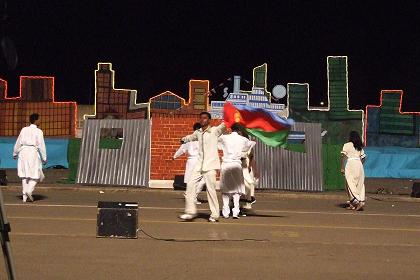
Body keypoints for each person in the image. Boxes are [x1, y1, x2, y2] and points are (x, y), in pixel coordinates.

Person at [179, 112, 226, 222]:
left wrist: (230, 117)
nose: (202, 120)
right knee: (190, 185)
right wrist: (183, 139)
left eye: (205, 118)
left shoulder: (215, 131)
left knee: (211, 190)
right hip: (199, 165)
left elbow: (223, 126)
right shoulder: (198, 132)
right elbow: (191, 137)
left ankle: (214, 215)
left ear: (209, 120)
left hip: (210, 166)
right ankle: (190, 212)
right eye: (201, 118)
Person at [218, 124, 255, 219]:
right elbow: (248, 148)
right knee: (237, 190)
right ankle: (235, 211)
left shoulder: (225, 137)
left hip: (226, 164)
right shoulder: (244, 139)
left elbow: (217, 143)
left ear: (231, 129)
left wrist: (224, 133)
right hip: (236, 164)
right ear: (239, 130)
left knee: (225, 190)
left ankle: (225, 212)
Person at [13, 113, 47, 203]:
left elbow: (18, 142)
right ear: (36, 120)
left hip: (23, 152)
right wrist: (44, 158)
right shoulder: (39, 131)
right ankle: (29, 190)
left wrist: (15, 153)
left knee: (24, 175)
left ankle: (24, 197)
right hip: (32, 152)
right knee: (37, 174)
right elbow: (41, 146)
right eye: (40, 119)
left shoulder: (24, 129)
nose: (41, 121)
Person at [173, 122, 206, 205]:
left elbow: (182, 149)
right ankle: (192, 196)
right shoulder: (203, 139)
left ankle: (190, 194)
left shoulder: (189, 139)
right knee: (202, 180)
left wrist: (174, 156)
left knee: (192, 180)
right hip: (199, 161)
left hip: (191, 161)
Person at [340, 131, 366, 211]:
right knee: (359, 184)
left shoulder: (347, 145)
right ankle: (358, 201)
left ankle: (357, 201)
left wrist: (342, 167)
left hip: (351, 164)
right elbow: (364, 158)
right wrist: (360, 164)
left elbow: (344, 156)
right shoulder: (359, 146)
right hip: (359, 164)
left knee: (350, 183)